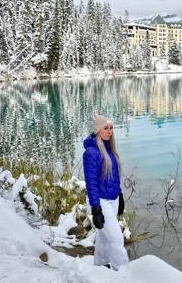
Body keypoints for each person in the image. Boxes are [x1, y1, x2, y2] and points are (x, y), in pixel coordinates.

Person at [83, 114, 129, 269]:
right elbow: (92, 184)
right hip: (101, 202)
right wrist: (96, 209)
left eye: (111, 128)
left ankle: (100, 267)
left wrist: (120, 195)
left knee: (103, 238)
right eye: (105, 128)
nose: (109, 131)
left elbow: (113, 177)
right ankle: (124, 274)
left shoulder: (110, 150)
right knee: (116, 239)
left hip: (113, 199)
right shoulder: (91, 153)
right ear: (97, 130)